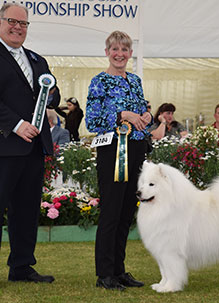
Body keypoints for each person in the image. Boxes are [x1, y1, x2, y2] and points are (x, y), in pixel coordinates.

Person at [0, 3, 60, 290]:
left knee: (27, 210)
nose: (18, 27)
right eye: (12, 21)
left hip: (33, 148)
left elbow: (51, 98)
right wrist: (17, 124)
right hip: (2, 147)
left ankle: (21, 266)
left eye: (23, 23)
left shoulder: (37, 60)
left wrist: (53, 94)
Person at [86, 30, 152, 291]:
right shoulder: (98, 81)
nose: (120, 54)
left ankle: (119, 270)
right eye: (115, 49)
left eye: (124, 50)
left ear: (130, 54)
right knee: (111, 213)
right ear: (107, 52)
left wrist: (146, 116)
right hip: (112, 152)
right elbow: (92, 121)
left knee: (126, 213)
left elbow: (141, 111)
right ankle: (104, 274)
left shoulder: (135, 81)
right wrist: (121, 113)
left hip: (136, 148)